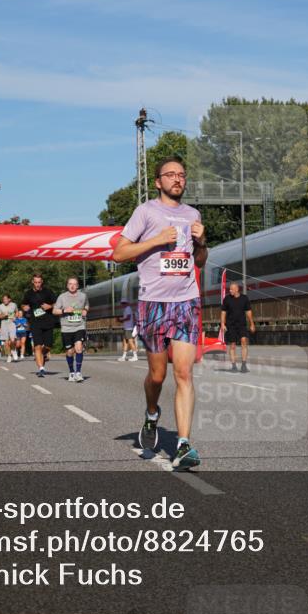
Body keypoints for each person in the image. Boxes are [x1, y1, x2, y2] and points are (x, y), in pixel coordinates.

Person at [112, 155, 206, 469]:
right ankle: (152, 414)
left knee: (184, 373)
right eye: (170, 175)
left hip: (186, 301)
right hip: (153, 303)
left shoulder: (193, 214)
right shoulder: (145, 212)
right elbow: (119, 252)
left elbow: (201, 260)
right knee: (157, 375)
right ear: (158, 181)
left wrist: (201, 241)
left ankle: (183, 444)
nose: (177, 179)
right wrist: (155, 240)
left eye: (181, 174)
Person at [54, 276, 89, 382]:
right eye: (70, 284)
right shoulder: (62, 297)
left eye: (74, 284)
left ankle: (78, 372)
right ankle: (71, 372)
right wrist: (64, 310)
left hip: (79, 326)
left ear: (78, 286)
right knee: (70, 351)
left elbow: (86, 306)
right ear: (67, 285)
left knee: (79, 348)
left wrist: (85, 311)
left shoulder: (83, 296)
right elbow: (54, 311)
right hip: (66, 328)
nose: (72, 286)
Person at [21, 274, 55, 377]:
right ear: (32, 282)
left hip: (48, 321)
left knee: (48, 346)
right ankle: (41, 368)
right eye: (35, 282)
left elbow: (57, 303)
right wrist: (24, 307)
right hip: (35, 323)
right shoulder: (28, 293)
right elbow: (23, 304)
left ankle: (42, 354)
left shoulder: (48, 292)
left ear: (42, 282)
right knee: (37, 346)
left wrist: (49, 306)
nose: (37, 284)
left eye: (39, 282)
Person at [220, 282, 255, 373]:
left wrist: (252, 323)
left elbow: (248, 311)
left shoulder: (244, 298)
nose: (230, 290)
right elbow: (223, 312)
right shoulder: (227, 299)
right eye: (229, 289)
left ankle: (243, 365)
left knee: (244, 341)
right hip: (230, 325)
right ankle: (234, 366)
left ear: (237, 289)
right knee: (232, 345)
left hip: (242, 325)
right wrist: (223, 324)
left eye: (231, 289)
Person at [0, 293, 18, 362]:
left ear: (9, 299)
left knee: (12, 340)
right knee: (6, 342)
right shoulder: (0, 306)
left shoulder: (13, 305)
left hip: (12, 323)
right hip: (4, 324)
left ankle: (13, 350)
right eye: (3, 299)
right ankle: (9, 355)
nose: (4, 300)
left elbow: (17, 312)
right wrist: (3, 316)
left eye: (6, 299)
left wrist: (16, 317)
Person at [119, 297, 138, 361]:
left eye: (123, 303)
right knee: (125, 342)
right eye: (122, 303)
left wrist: (121, 319)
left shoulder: (128, 308)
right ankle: (123, 357)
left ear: (126, 303)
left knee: (130, 341)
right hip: (126, 327)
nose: (122, 304)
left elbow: (128, 317)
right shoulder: (126, 309)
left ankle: (135, 356)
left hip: (128, 327)